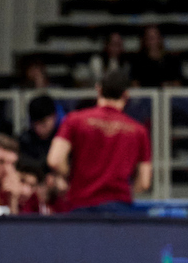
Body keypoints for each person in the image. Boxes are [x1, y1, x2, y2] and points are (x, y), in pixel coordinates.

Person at [49, 68, 153, 209]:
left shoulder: (75, 120)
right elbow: (145, 181)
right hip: (119, 207)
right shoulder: (138, 131)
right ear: (126, 95)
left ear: (98, 89)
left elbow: (54, 160)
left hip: (81, 204)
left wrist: (70, 178)